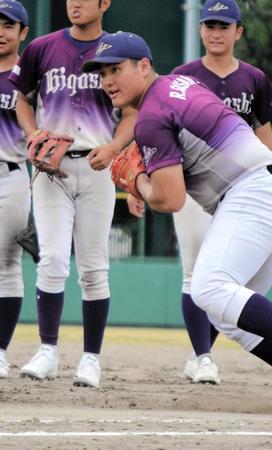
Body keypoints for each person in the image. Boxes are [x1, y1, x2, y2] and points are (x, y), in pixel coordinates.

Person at [82, 31, 272, 405]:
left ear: (144, 66)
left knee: (208, 286)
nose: (107, 81)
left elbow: (170, 199)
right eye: (101, 72)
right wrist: (147, 172)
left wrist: (137, 183)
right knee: (227, 314)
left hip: (251, 193)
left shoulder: (151, 117)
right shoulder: (180, 84)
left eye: (115, 69)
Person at [9, 0, 135, 388]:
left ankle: (91, 359)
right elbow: (23, 99)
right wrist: (32, 135)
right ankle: (48, 350)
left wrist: (114, 149)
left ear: (105, 3)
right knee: (52, 261)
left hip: (98, 166)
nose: (75, 3)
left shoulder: (120, 50)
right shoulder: (42, 48)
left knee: (95, 268)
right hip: (51, 168)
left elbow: (134, 109)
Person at [169, 0, 272, 385]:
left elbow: (264, 131)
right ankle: (203, 357)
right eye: (209, 25)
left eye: (224, 25)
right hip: (195, 184)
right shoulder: (183, 77)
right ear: (201, 30)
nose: (215, 32)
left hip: (246, 188)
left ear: (239, 32)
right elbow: (163, 130)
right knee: (194, 272)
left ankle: (202, 352)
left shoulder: (253, 78)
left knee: (228, 279)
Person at [0, 0, 29, 379]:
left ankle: (0, 350)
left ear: (23, 32)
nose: (1, 31)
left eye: (9, 25)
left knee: (6, 266)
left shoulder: (28, 76)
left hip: (12, 174)